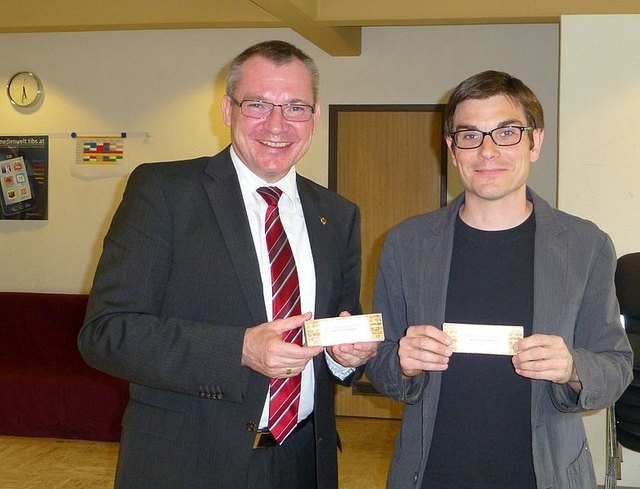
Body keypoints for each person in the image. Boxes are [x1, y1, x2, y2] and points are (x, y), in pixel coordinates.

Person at [78, 40, 377, 489]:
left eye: (296, 107)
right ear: (227, 109)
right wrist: (238, 349)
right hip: (189, 463)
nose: (277, 124)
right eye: (258, 104)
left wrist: (346, 355)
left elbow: (338, 325)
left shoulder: (337, 214)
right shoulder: (164, 192)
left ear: (314, 117)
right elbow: (106, 333)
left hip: (303, 463)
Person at [364, 70, 633, 489]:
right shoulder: (407, 243)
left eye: (506, 132)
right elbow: (379, 360)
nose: (487, 150)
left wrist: (572, 367)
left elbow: (617, 364)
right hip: (431, 472)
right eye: (470, 135)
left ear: (535, 142)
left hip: (545, 474)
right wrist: (401, 359)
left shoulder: (585, 245)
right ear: (453, 150)